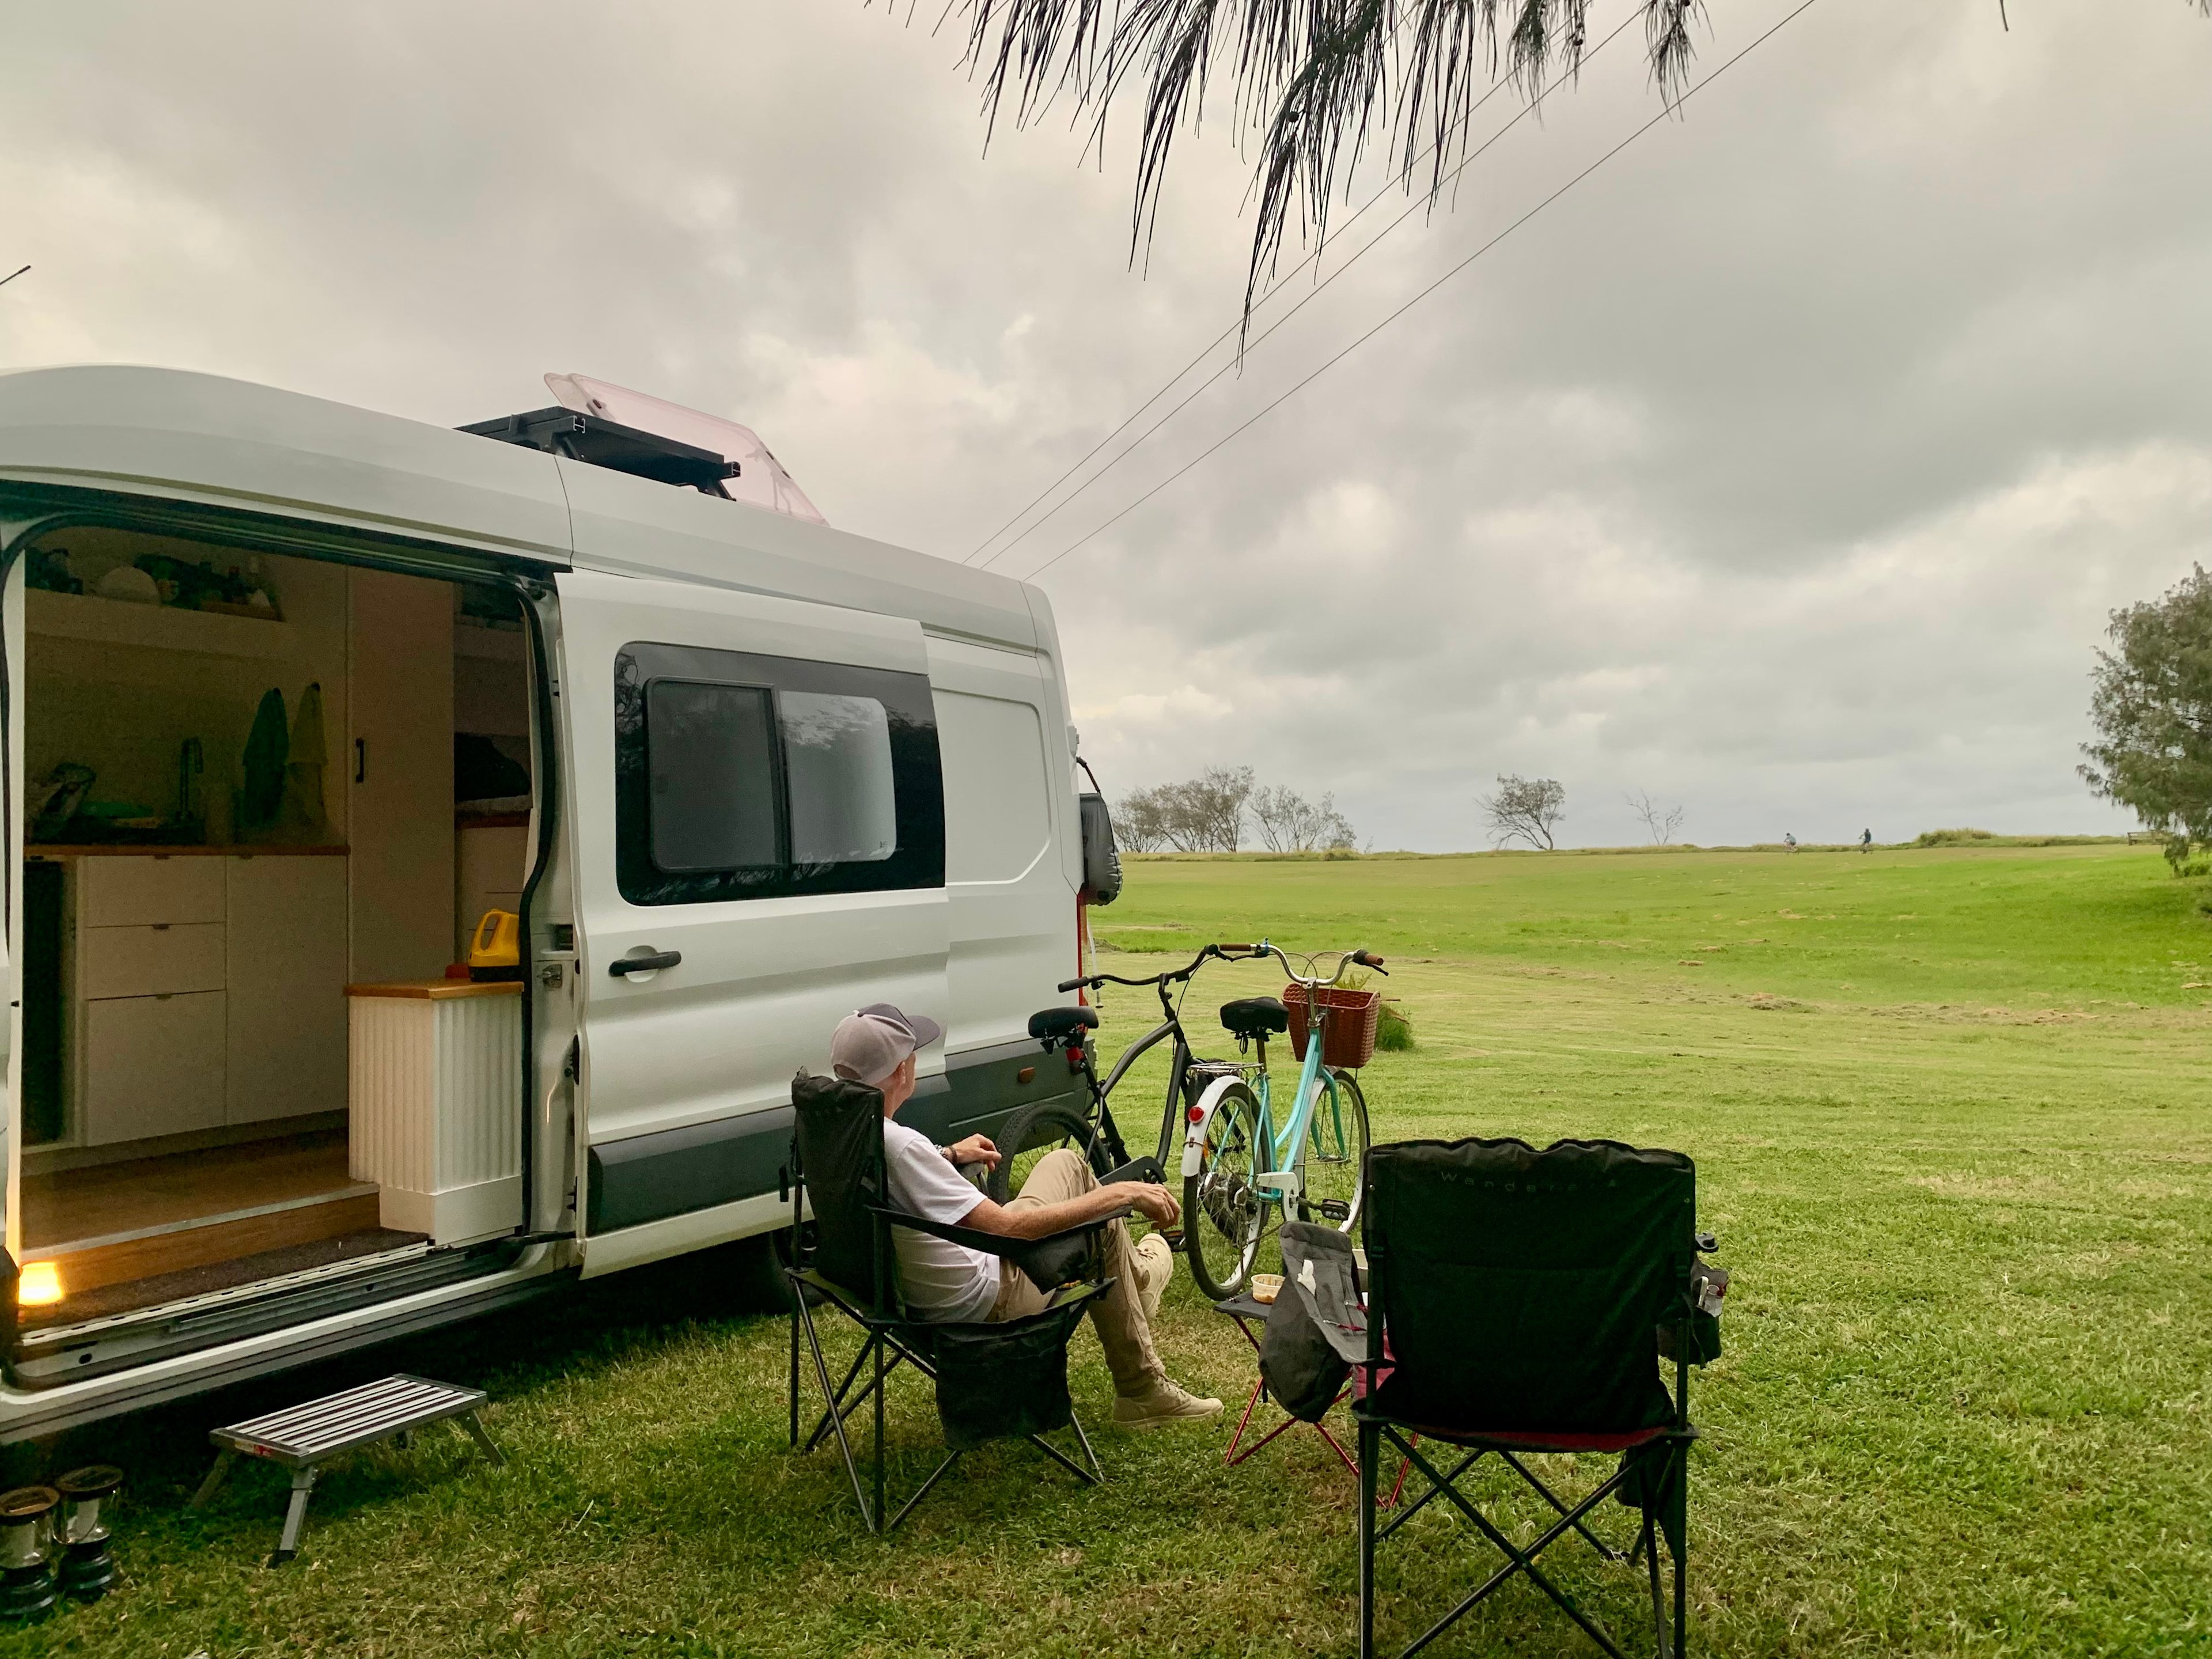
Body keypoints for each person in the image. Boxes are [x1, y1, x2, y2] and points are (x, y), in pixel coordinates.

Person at [830, 1003, 1224, 1430]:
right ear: (899, 1072)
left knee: (1066, 1165)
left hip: (927, 1282)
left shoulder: (846, 1128)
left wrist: (947, 1156)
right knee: (1101, 1218)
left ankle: (1138, 1282)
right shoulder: (902, 1147)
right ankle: (1143, 1388)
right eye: (912, 1054)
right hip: (985, 1295)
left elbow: (909, 1177)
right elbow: (1008, 1229)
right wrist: (1122, 1192)